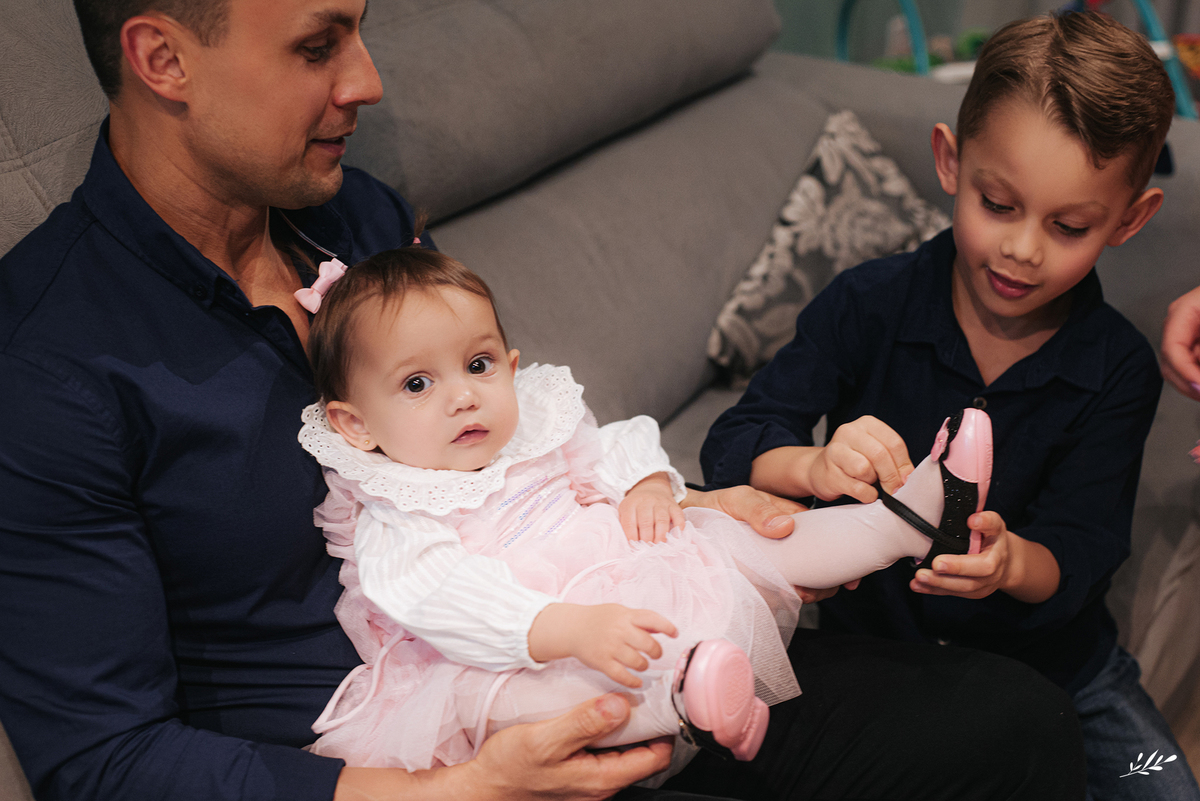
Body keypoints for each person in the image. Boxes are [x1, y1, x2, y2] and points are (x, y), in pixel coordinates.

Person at [0, 0, 1087, 799]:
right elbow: (103, 760)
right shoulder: (49, 364)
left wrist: (678, 505)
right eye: (318, 45)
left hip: (592, 637)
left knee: (1013, 725)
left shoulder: (357, 217)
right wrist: (464, 789)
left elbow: (510, 445)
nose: (368, 81)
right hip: (416, 757)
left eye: (362, 33)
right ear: (163, 59)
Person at [701, 11, 1200, 800]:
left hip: (1061, 664)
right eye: (997, 203)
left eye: (1069, 226)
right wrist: (812, 464)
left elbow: (1084, 545)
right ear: (949, 161)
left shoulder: (1118, 369)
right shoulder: (867, 303)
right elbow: (738, 439)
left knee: (1164, 786)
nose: (1022, 249)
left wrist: (1011, 564)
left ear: (1129, 220)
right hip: (880, 652)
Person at [292, 241, 994, 771]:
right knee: (531, 701)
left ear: (510, 365)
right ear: (355, 424)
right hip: (516, 642)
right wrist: (563, 627)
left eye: (478, 365)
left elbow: (611, 447)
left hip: (623, 568)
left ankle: (904, 521)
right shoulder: (396, 507)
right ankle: (687, 700)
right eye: (417, 384)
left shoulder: (535, 425)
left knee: (738, 532)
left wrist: (649, 486)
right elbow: (435, 596)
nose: (464, 396)